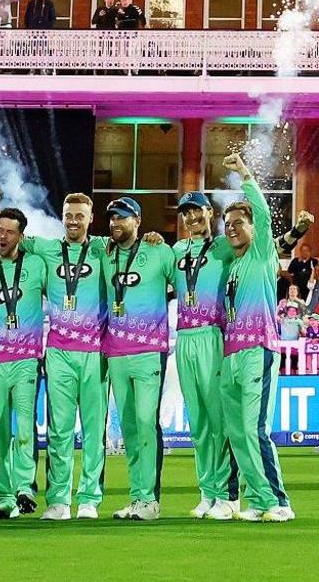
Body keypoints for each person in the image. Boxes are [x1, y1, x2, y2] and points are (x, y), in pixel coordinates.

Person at [215, 153, 294, 521]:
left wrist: (244, 174)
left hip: (257, 349)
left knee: (254, 428)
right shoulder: (231, 265)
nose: (231, 228)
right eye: (227, 224)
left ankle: (279, 501)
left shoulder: (262, 253)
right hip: (231, 354)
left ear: (252, 228)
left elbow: (262, 212)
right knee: (236, 432)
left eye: (237, 223)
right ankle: (260, 500)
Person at [0, 194, 47, 518]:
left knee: (26, 429)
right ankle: (4, 497)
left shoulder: (37, 265)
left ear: (21, 236)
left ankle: (24, 488)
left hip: (26, 358)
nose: (2, 236)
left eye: (9, 232)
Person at [101, 198, 174, 520]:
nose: (115, 223)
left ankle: (151, 500)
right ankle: (138, 497)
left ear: (138, 220)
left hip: (149, 351)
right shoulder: (104, 253)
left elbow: (189, 281)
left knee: (146, 422)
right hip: (116, 352)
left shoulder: (159, 251)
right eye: (111, 218)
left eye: (122, 218)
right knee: (129, 427)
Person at [40, 190, 109, 521]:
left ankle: (89, 500)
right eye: (68, 214)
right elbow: (10, 239)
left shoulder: (102, 249)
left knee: (94, 430)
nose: (73, 220)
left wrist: (151, 236)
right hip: (58, 352)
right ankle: (58, 500)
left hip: (95, 352)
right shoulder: (49, 249)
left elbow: (134, 245)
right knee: (59, 430)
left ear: (90, 219)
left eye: (79, 215)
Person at [171, 191, 237, 519]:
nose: (191, 218)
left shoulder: (224, 246)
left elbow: (265, 248)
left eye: (196, 212)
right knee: (197, 423)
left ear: (209, 212)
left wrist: (296, 231)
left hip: (213, 335)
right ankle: (206, 492)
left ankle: (225, 494)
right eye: (185, 214)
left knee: (217, 420)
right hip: (183, 338)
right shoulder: (177, 250)